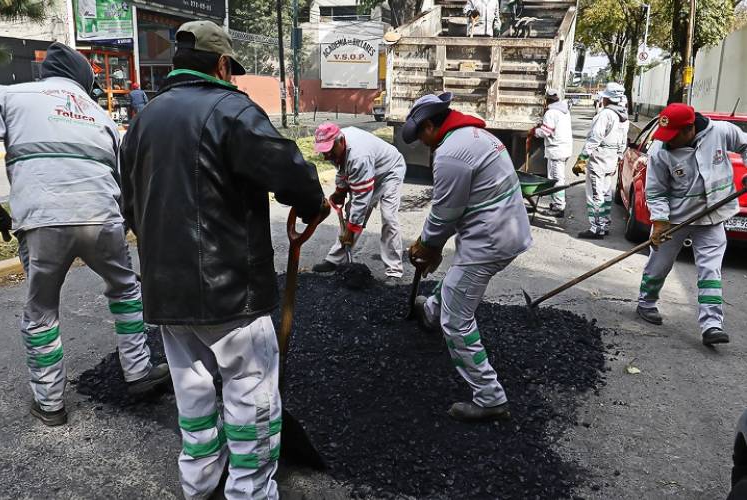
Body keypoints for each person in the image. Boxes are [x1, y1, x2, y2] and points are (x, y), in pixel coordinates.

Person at [120, 21, 328, 500]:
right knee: (250, 393)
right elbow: (287, 170)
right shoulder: (231, 109)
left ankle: (199, 483)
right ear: (219, 65)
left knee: (191, 390)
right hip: (229, 289)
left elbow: (128, 201)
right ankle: (249, 491)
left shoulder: (143, 119)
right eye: (230, 68)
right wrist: (313, 203)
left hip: (166, 290)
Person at [0, 42, 170, 427]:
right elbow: (123, 178)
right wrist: (126, 226)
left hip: (43, 220)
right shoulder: (100, 114)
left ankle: (50, 404)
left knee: (42, 310)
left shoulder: (9, 95)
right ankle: (139, 372)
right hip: (102, 218)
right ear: (84, 80)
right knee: (126, 291)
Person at [402, 93, 532, 422]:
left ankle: (490, 397)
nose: (422, 144)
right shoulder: (475, 136)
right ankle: (431, 311)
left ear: (429, 126)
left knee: (457, 320)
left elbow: (445, 213)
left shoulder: (451, 154)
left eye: (421, 136)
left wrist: (426, 246)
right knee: (456, 281)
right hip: (503, 230)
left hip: (490, 241)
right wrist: (432, 246)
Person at [635, 103, 747, 346]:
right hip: (675, 220)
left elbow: (745, 145)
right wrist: (660, 222)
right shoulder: (660, 151)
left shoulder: (721, 132)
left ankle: (711, 325)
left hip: (712, 217)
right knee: (659, 263)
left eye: (673, 135)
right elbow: (655, 191)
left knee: (710, 270)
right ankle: (646, 302)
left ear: (690, 129)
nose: (667, 140)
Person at [311, 123, 406, 278]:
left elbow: (361, 201)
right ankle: (335, 260)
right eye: (323, 151)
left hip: (389, 172)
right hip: (368, 170)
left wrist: (351, 230)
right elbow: (343, 169)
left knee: (388, 217)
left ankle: (394, 271)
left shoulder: (359, 156)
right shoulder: (336, 147)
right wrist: (340, 190)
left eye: (328, 151)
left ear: (340, 142)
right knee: (351, 214)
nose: (326, 156)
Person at [572, 82, 628, 239]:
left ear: (607, 99)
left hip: (599, 159)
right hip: (611, 159)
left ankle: (596, 228)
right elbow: (623, 142)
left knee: (595, 194)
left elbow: (594, 138)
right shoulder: (623, 117)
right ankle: (604, 224)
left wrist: (582, 158)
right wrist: (618, 158)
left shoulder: (605, 115)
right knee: (606, 193)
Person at [533, 88, 572, 218]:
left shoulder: (551, 113)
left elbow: (546, 132)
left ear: (546, 100)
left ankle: (559, 207)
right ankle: (557, 204)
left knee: (556, 180)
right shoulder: (564, 111)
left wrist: (534, 132)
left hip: (556, 151)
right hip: (564, 149)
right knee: (558, 178)